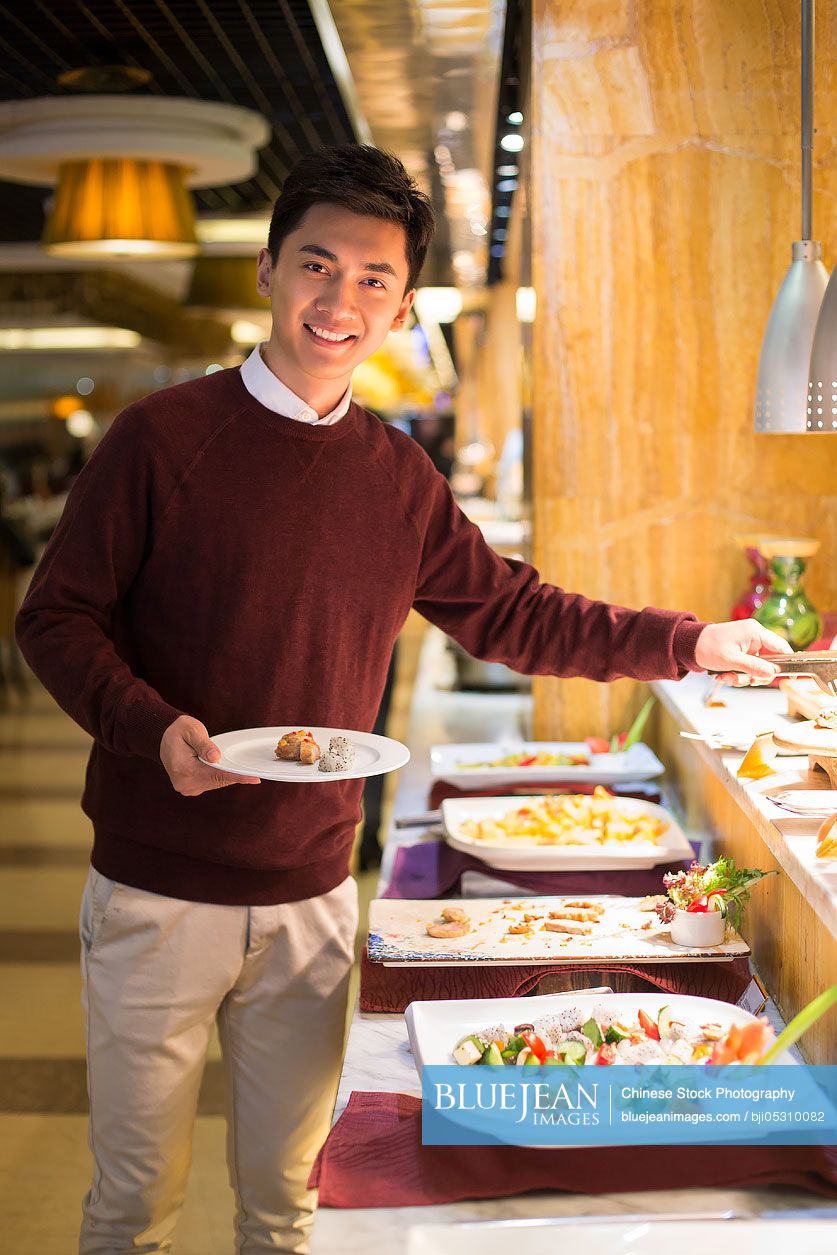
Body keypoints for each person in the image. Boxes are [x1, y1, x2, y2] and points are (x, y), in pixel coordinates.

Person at [15, 143, 790, 1255]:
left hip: (319, 889)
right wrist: (153, 729)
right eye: (318, 266)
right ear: (270, 271)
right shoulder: (162, 439)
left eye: (373, 279)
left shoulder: (398, 477)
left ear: (402, 303)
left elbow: (518, 614)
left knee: (285, 1206)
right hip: (156, 888)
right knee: (133, 1206)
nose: (341, 301)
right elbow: (54, 616)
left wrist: (693, 640)